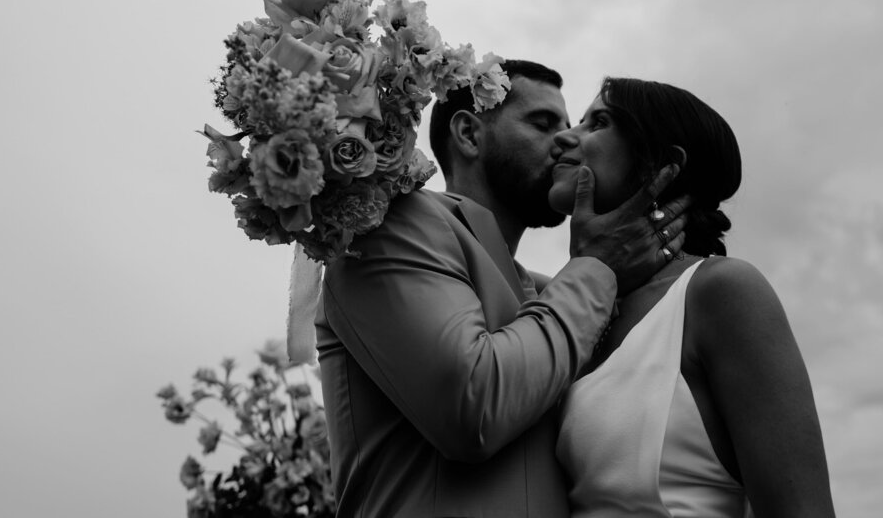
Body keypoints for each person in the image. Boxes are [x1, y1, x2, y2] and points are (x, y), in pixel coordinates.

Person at [315, 61, 690, 517]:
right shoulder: (390, 226)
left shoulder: (551, 290)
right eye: (543, 123)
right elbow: (472, 407)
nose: (568, 141)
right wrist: (596, 265)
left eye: (574, 125)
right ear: (470, 135)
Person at [552, 77, 836, 518]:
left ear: (662, 164)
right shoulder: (560, 309)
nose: (564, 137)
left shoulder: (721, 293)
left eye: (598, 122)